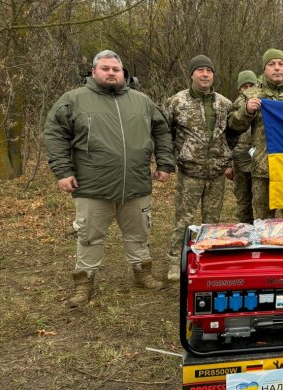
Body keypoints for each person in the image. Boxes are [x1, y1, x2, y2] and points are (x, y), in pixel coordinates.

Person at [44, 50, 175, 308]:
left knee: (139, 234)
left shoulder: (142, 101)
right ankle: (84, 283)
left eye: (116, 68)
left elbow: (162, 131)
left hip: (136, 184)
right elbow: (55, 134)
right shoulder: (74, 100)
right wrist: (63, 171)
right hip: (92, 185)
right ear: (93, 72)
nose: (111, 72)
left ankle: (142, 274)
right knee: (89, 236)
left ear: (123, 72)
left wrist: (165, 163)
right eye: (105, 68)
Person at [163, 55, 234, 281]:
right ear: (191, 74)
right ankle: (175, 260)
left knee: (212, 220)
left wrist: (228, 161)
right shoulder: (176, 102)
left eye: (209, 70)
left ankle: (207, 258)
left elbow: (233, 135)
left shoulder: (224, 104)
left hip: (216, 173)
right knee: (184, 218)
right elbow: (163, 132)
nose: (205, 74)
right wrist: (172, 157)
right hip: (189, 172)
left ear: (213, 75)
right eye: (200, 70)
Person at [228, 48, 283, 220]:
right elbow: (233, 126)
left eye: (281, 64)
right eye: (271, 64)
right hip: (263, 169)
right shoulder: (251, 95)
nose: (277, 68)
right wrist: (247, 111)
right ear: (264, 69)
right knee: (264, 220)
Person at [231, 70, 258, 224]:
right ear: (239, 89)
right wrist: (228, 165)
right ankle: (245, 230)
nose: (248, 89)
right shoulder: (234, 107)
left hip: (259, 161)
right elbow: (226, 138)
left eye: (251, 85)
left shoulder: (263, 104)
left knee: (261, 200)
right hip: (239, 163)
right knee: (243, 201)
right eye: (244, 86)